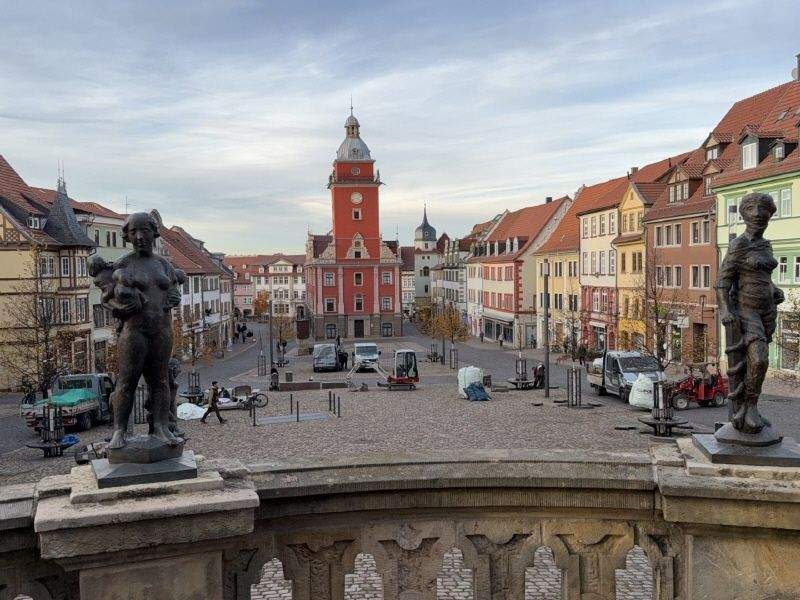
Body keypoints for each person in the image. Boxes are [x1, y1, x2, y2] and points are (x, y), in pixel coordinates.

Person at [716, 192, 784, 434]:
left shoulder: (766, 245)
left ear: (769, 215)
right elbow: (722, 283)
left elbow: (763, 276)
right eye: (752, 209)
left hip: (768, 311)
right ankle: (749, 407)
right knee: (759, 359)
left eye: (763, 209)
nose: (758, 214)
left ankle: (749, 409)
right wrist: (725, 310)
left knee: (756, 365)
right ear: (744, 214)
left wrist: (774, 289)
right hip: (747, 312)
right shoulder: (739, 245)